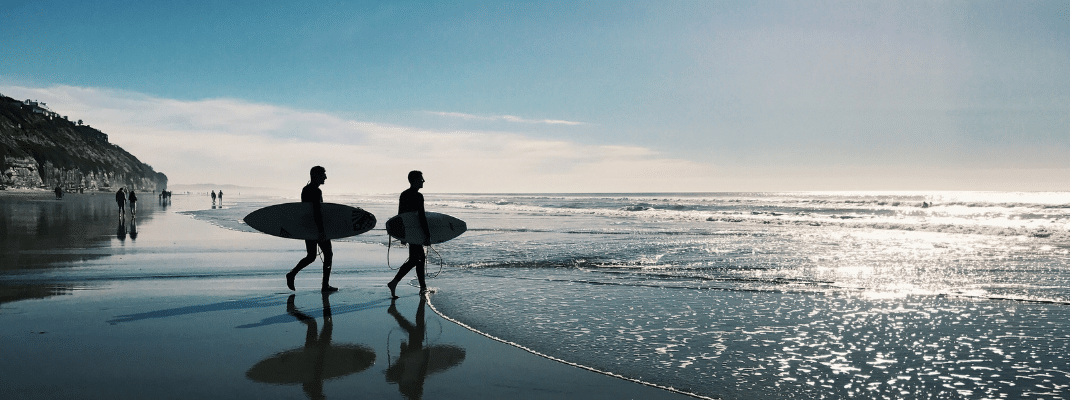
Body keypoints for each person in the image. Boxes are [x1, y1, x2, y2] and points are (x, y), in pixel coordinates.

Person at [286, 166, 337, 292]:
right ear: (316, 175)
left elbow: (308, 211)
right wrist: (321, 231)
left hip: (308, 227)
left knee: (311, 256)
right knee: (328, 254)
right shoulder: (315, 191)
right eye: (323, 175)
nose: (325, 177)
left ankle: (292, 274)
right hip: (316, 228)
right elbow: (317, 212)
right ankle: (325, 286)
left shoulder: (306, 189)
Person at [387, 171, 431, 298]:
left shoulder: (404, 194)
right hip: (416, 231)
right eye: (421, 179)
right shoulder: (418, 196)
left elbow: (400, 215)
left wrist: (402, 234)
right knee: (417, 259)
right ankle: (397, 283)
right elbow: (422, 217)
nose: (423, 181)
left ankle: (421, 287)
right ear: (415, 180)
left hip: (409, 232)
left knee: (417, 259)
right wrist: (427, 235)